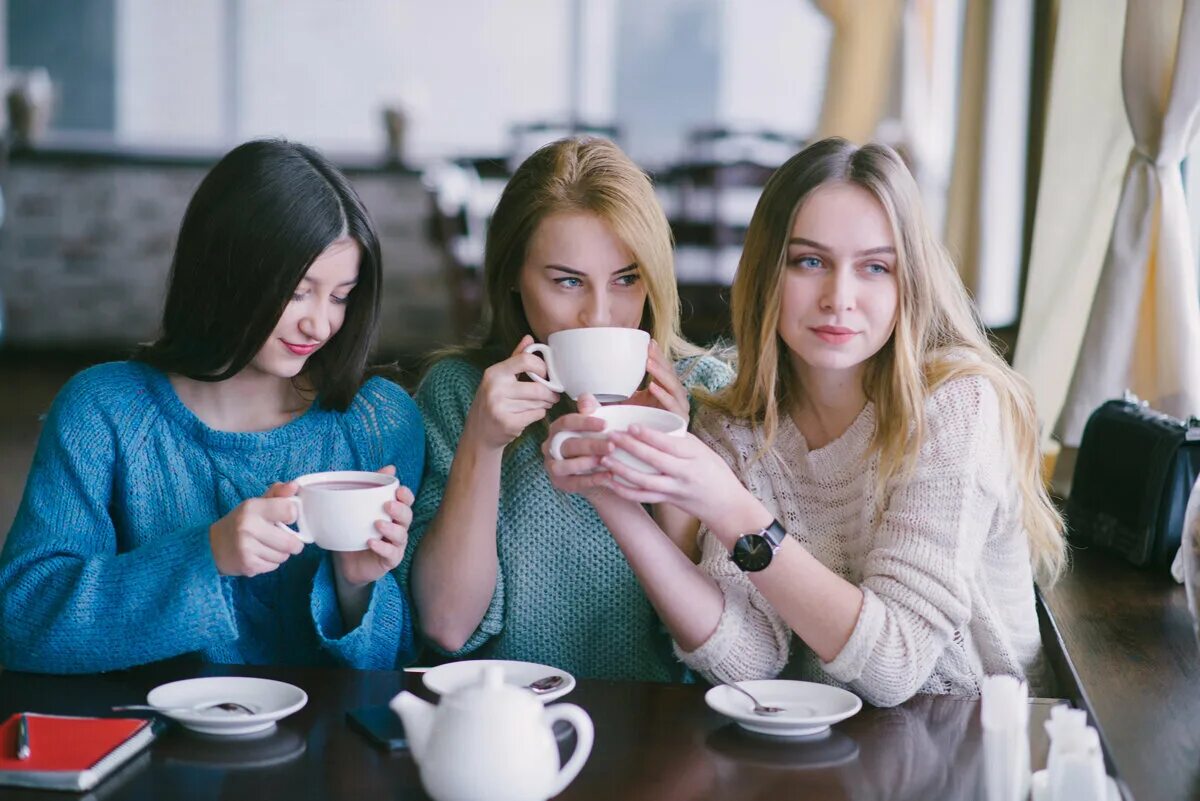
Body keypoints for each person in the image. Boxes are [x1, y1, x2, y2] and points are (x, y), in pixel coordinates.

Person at [544, 137, 1066, 706]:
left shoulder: (955, 405)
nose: (839, 297)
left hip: (977, 749)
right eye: (810, 261)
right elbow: (747, 660)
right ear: (768, 272)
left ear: (908, 282)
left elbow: (896, 664)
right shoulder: (738, 427)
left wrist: (727, 506)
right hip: (831, 753)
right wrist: (610, 494)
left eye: (874, 267)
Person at [0, 140, 424, 674]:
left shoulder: (379, 421)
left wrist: (355, 586)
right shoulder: (102, 413)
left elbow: (401, 666)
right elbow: (19, 625)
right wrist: (207, 556)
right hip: (145, 741)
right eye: (298, 292)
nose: (320, 324)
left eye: (341, 296)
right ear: (224, 273)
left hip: (327, 751)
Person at [403, 137, 732, 681]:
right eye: (567, 281)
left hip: (665, 734)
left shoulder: (706, 394)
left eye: (627, 280)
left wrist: (673, 452)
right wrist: (482, 446)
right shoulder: (461, 395)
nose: (598, 314)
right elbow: (446, 624)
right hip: (510, 725)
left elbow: (715, 649)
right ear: (512, 277)